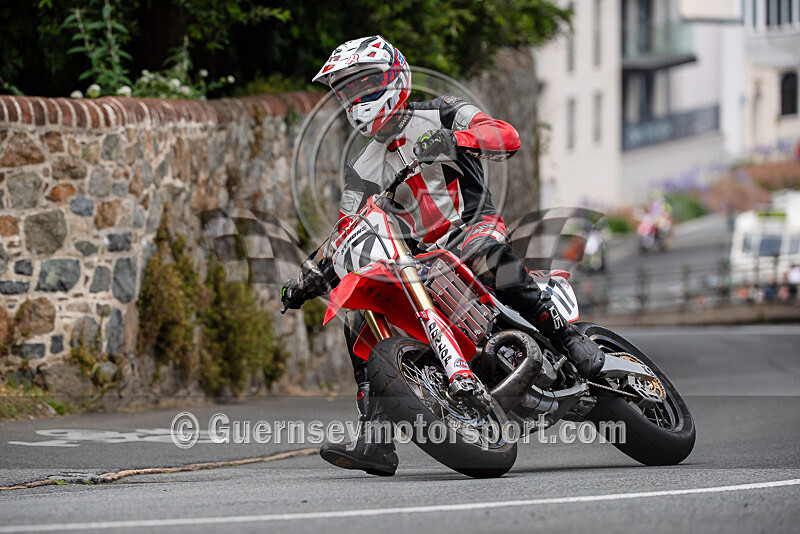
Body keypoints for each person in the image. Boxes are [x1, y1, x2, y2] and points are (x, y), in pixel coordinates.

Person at [281, 36, 605, 476]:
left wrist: (456, 138)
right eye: (348, 91)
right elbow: (347, 227)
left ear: (394, 77)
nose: (357, 100)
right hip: (419, 258)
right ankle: (376, 436)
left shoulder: (443, 110)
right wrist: (311, 277)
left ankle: (566, 338)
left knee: (483, 255)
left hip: (473, 226)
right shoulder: (361, 167)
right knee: (358, 313)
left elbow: (506, 136)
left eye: (365, 86)